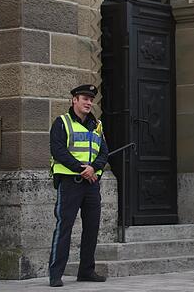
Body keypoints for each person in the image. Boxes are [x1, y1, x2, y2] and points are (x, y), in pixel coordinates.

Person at [48, 84, 108, 287]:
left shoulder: (97, 125)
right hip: (70, 183)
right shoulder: (62, 122)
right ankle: (55, 274)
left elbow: (103, 152)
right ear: (74, 100)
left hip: (91, 184)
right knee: (64, 228)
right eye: (85, 99)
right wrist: (81, 168)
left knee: (92, 228)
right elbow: (58, 150)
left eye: (91, 99)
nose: (89, 102)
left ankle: (86, 271)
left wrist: (94, 169)